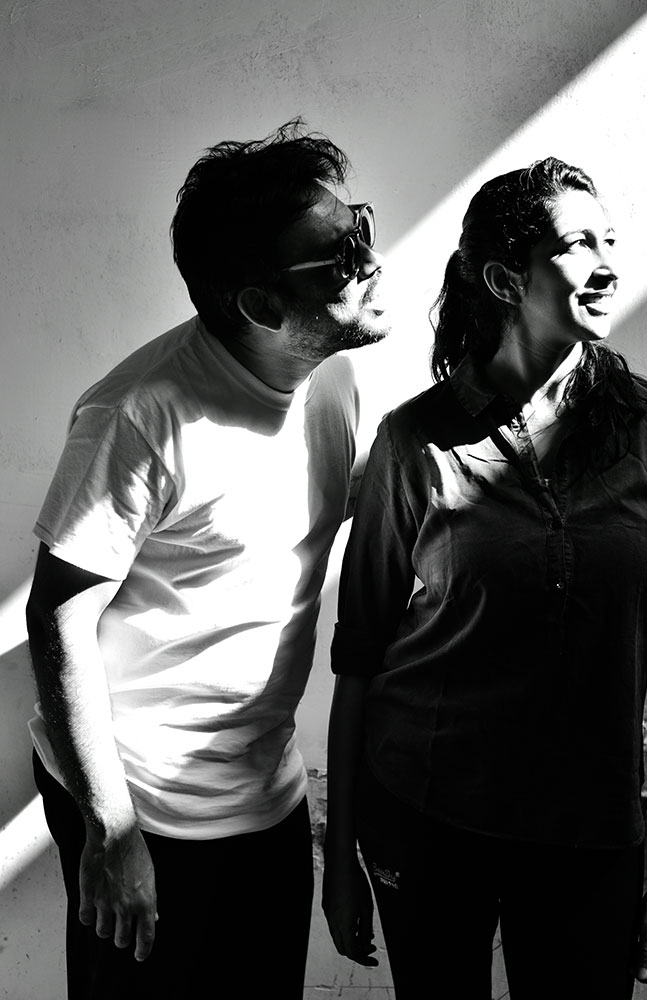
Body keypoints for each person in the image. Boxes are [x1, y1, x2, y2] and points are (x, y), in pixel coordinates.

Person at [322, 157, 647, 998]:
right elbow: (359, 656)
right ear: (507, 279)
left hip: (590, 833)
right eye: (579, 245)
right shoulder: (414, 442)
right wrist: (341, 855)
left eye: (610, 241)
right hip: (424, 818)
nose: (607, 265)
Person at [25, 119, 390, 1000]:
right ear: (261, 306)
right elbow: (58, 614)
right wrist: (111, 832)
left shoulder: (332, 382)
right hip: (141, 806)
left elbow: (305, 524)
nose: (371, 262)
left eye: (361, 230)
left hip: (266, 793)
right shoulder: (138, 416)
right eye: (341, 258)